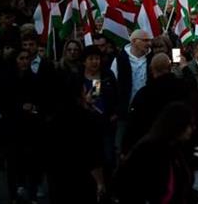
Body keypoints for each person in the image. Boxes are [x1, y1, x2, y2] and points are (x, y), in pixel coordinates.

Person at [115, 102, 194, 204]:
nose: (193, 128)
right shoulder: (148, 150)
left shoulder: (175, 150)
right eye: (189, 125)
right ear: (178, 124)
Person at [0, 48, 46, 203]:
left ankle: (32, 195)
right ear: (15, 60)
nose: (25, 61)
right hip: (12, 128)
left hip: (31, 127)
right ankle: (14, 195)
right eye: (21, 58)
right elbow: (1, 104)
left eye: (27, 58)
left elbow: (41, 100)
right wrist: (20, 107)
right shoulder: (6, 80)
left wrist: (34, 107)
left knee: (32, 163)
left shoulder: (34, 79)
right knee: (13, 164)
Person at [45, 77, 106, 204]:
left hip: (59, 179)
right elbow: (93, 155)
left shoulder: (53, 120)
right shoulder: (86, 119)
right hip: (80, 178)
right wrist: (100, 182)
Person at [123, 53, 188, 155]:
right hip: (177, 142)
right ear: (170, 67)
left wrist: (126, 148)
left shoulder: (145, 93)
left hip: (151, 145)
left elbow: (134, 122)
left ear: (152, 69)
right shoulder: (182, 87)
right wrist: (185, 67)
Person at [110, 29, 153, 149]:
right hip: (124, 112)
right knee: (121, 145)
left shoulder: (152, 59)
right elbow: (112, 85)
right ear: (134, 41)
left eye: (149, 40)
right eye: (145, 40)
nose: (149, 43)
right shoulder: (119, 60)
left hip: (147, 112)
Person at [80, 44, 119, 175]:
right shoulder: (77, 78)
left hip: (105, 123)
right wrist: (83, 101)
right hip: (85, 124)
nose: (94, 62)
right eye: (91, 59)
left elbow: (116, 95)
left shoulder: (107, 75)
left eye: (97, 58)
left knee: (107, 157)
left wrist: (114, 113)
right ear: (84, 61)